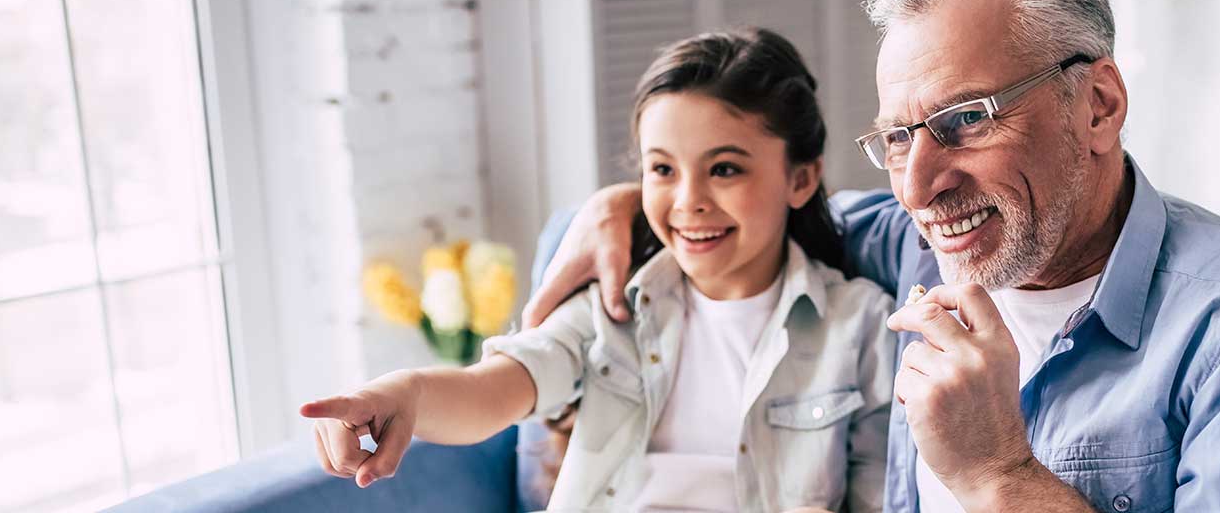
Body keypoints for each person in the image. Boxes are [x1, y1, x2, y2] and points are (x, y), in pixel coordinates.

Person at [524, 0, 1220, 512]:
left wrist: (999, 475)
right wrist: (623, 209)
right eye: (898, 138)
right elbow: (742, 208)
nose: (918, 186)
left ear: (1097, 104)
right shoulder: (903, 245)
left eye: (967, 120)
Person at [303, 28, 897, 512]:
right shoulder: (611, 308)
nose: (688, 201)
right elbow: (493, 391)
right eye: (662, 170)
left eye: (724, 170)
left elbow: (882, 497)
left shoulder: (863, 325)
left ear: (800, 178)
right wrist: (400, 394)